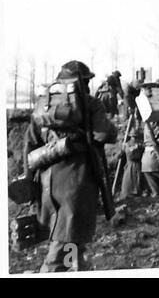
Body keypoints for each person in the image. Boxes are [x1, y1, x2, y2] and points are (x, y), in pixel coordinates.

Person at [23, 61, 117, 272]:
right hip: (77, 183)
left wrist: (29, 181)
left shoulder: (43, 105)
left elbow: (29, 145)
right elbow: (103, 134)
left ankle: (77, 267)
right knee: (63, 245)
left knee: (72, 241)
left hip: (47, 184)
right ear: (84, 82)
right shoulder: (91, 104)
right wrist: (110, 130)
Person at [120, 128, 144, 200]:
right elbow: (121, 155)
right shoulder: (126, 144)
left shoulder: (140, 145)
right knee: (128, 181)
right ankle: (127, 194)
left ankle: (136, 193)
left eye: (135, 137)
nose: (134, 138)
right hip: (129, 164)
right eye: (133, 137)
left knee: (137, 180)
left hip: (137, 164)